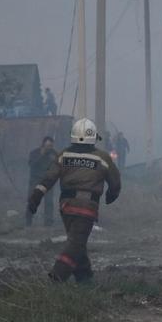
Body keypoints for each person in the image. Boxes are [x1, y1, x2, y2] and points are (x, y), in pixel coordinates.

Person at [29, 118, 121, 283]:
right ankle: (57, 277)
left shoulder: (64, 155)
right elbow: (115, 183)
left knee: (77, 242)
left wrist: (36, 197)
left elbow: (48, 179)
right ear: (93, 138)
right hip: (87, 208)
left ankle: (84, 279)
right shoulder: (102, 157)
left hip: (66, 207)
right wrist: (111, 195)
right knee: (76, 244)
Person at [26, 136, 58, 227]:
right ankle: (28, 222)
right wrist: (42, 154)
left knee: (48, 202)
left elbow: (58, 166)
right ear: (43, 144)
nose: (49, 148)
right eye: (48, 146)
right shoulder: (35, 152)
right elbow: (31, 164)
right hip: (35, 180)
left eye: (51, 146)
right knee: (32, 200)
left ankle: (48, 224)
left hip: (47, 181)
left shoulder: (54, 154)